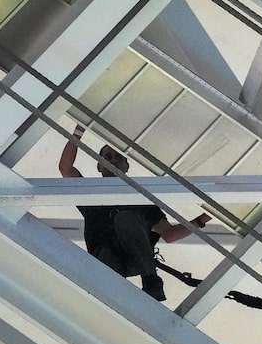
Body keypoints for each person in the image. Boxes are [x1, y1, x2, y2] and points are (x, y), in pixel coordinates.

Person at [59, 124, 210, 301]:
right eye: (107, 157)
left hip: (136, 259)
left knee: (125, 218)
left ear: (127, 165)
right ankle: (113, 298)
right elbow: (66, 169)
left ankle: (150, 280)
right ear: (99, 166)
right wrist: (80, 128)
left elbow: (169, 234)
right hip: (106, 257)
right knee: (107, 259)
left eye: (118, 157)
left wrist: (204, 218)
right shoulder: (92, 193)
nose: (113, 160)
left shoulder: (142, 200)